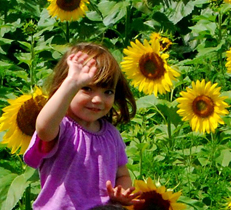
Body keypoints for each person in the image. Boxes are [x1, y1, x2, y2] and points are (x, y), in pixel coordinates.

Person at [25, 43, 143, 209]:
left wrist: (121, 192)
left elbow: (122, 174)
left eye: (107, 92)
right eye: (86, 88)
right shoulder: (63, 127)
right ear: (63, 87)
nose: (97, 100)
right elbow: (43, 128)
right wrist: (71, 83)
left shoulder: (111, 134)